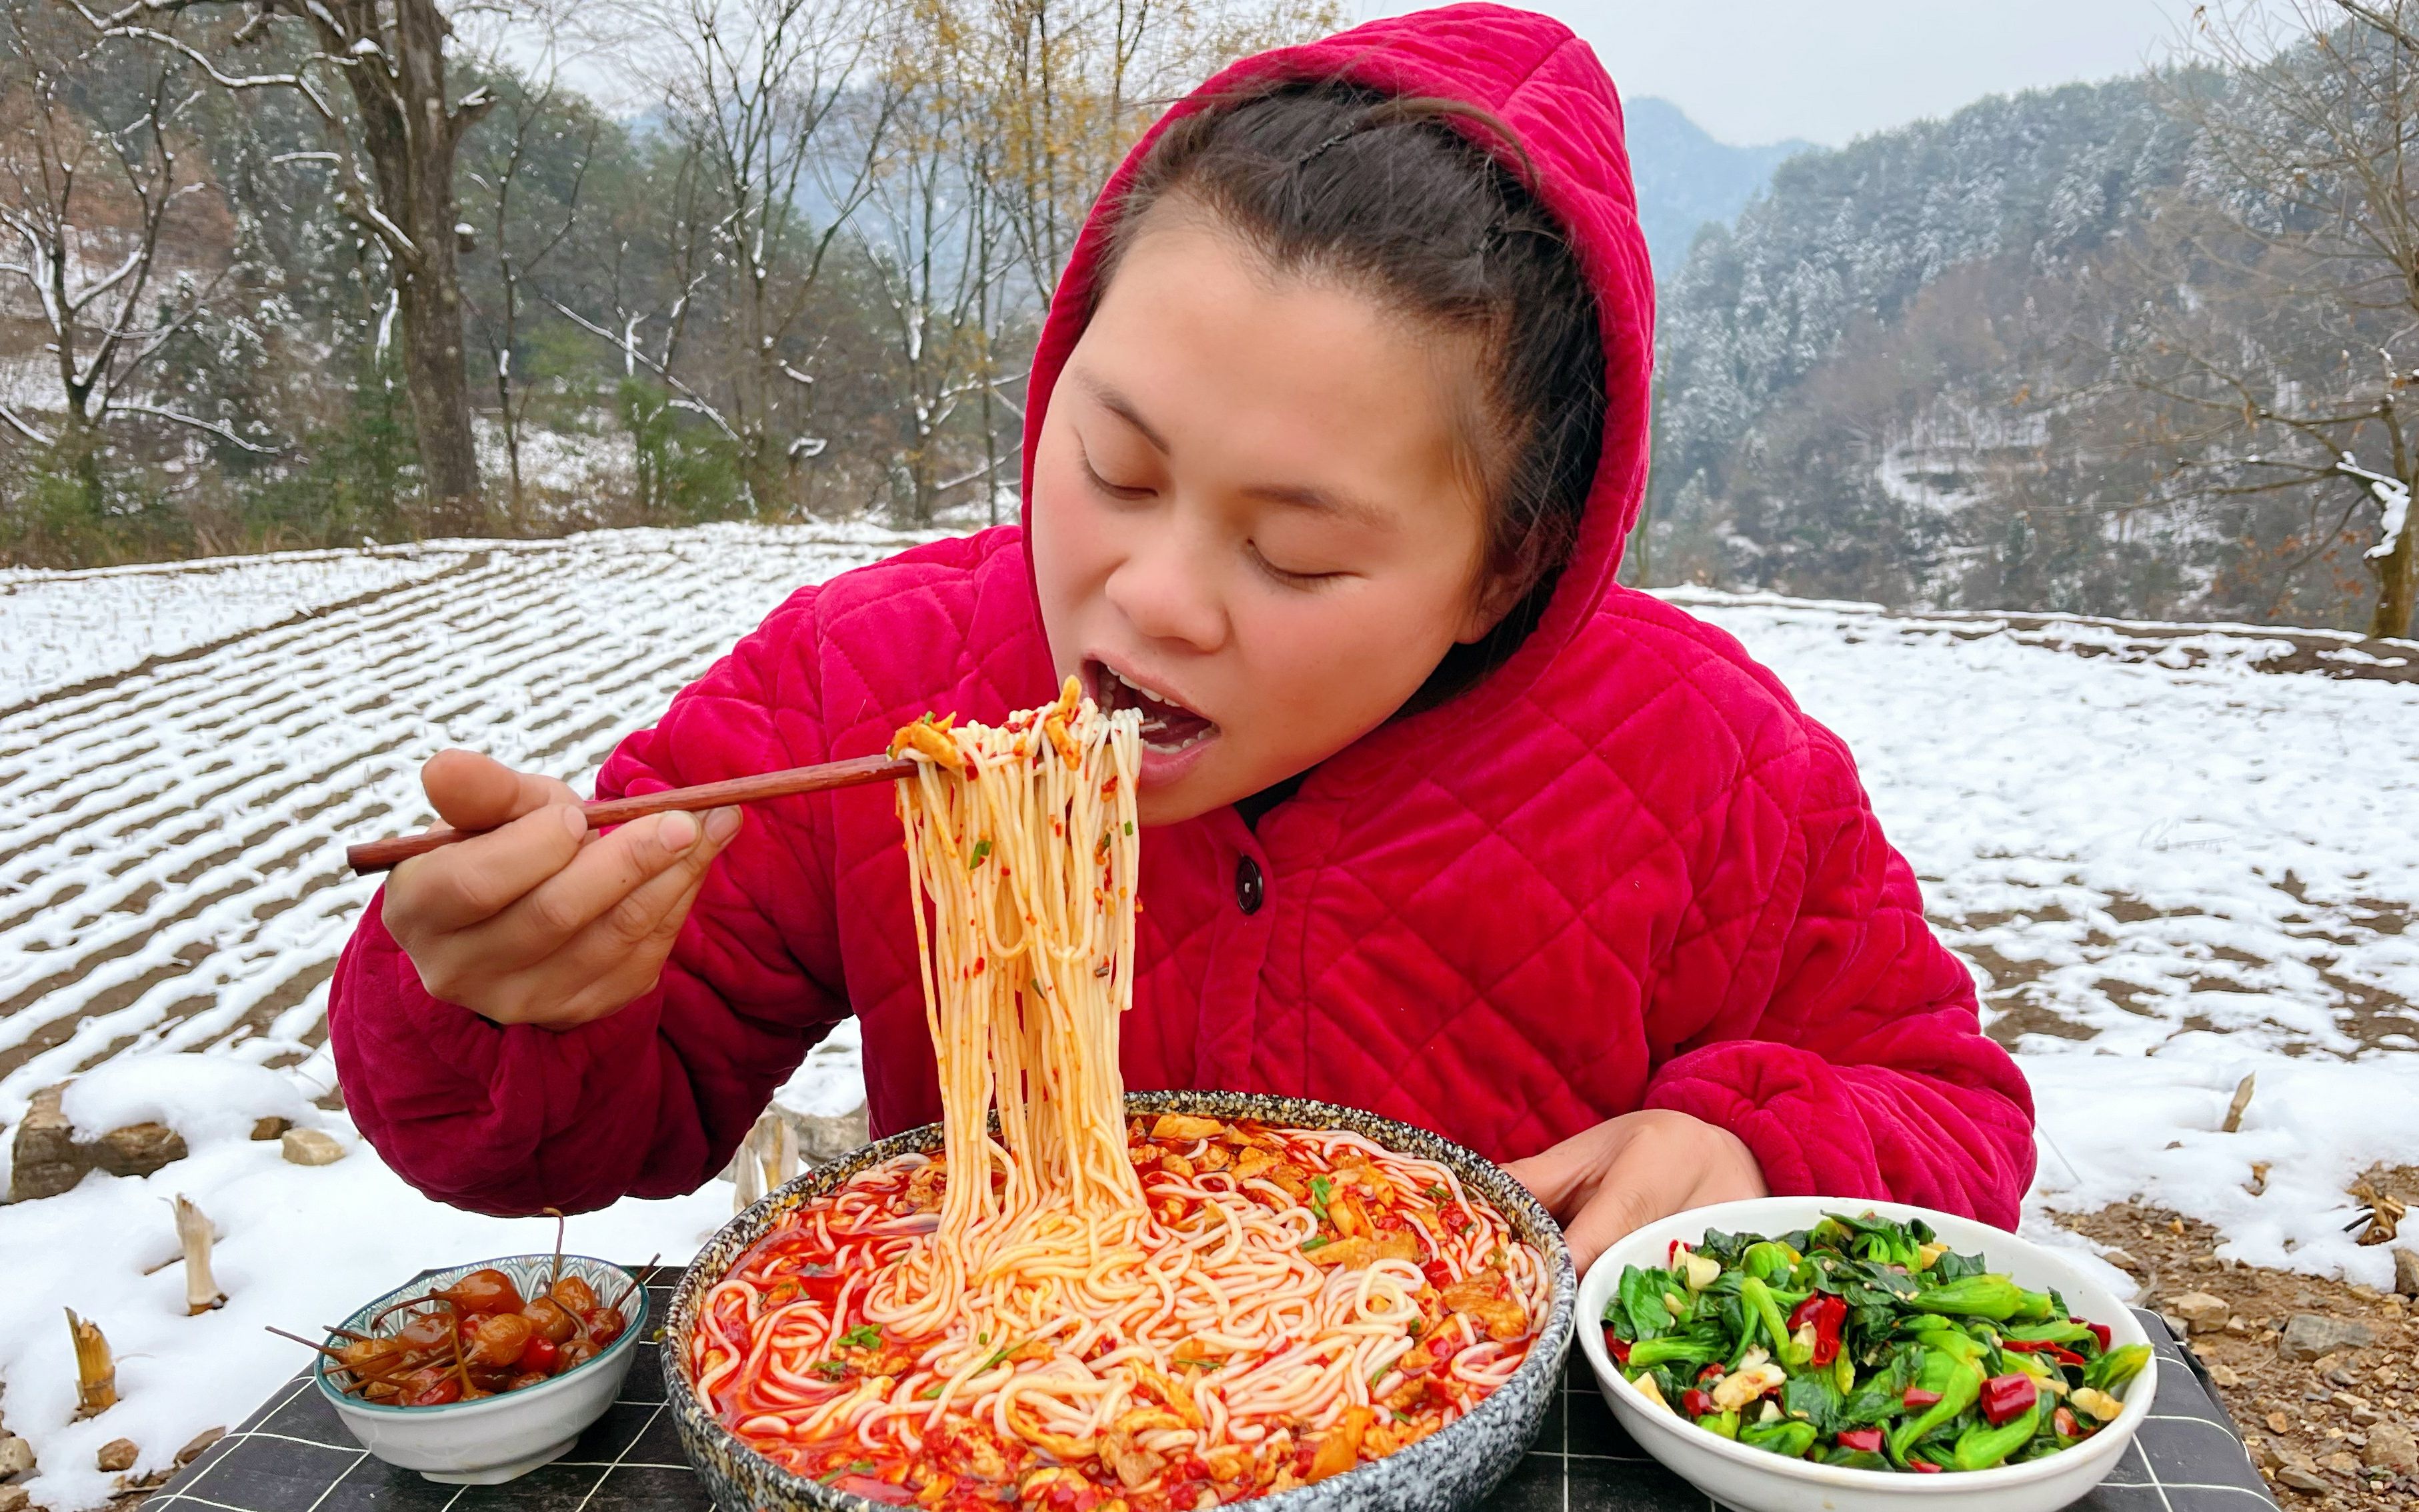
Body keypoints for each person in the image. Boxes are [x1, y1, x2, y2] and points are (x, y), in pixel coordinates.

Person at [329, 1, 2033, 1274]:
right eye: (1112, 464)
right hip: (1012, 1426)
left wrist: (1749, 1149)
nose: (1150, 595)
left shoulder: (1701, 760)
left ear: (1503, 571)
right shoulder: (866, 684)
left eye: (1295, 555)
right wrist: (492, 1002)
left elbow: (1950, 1112)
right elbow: (598, 1118)